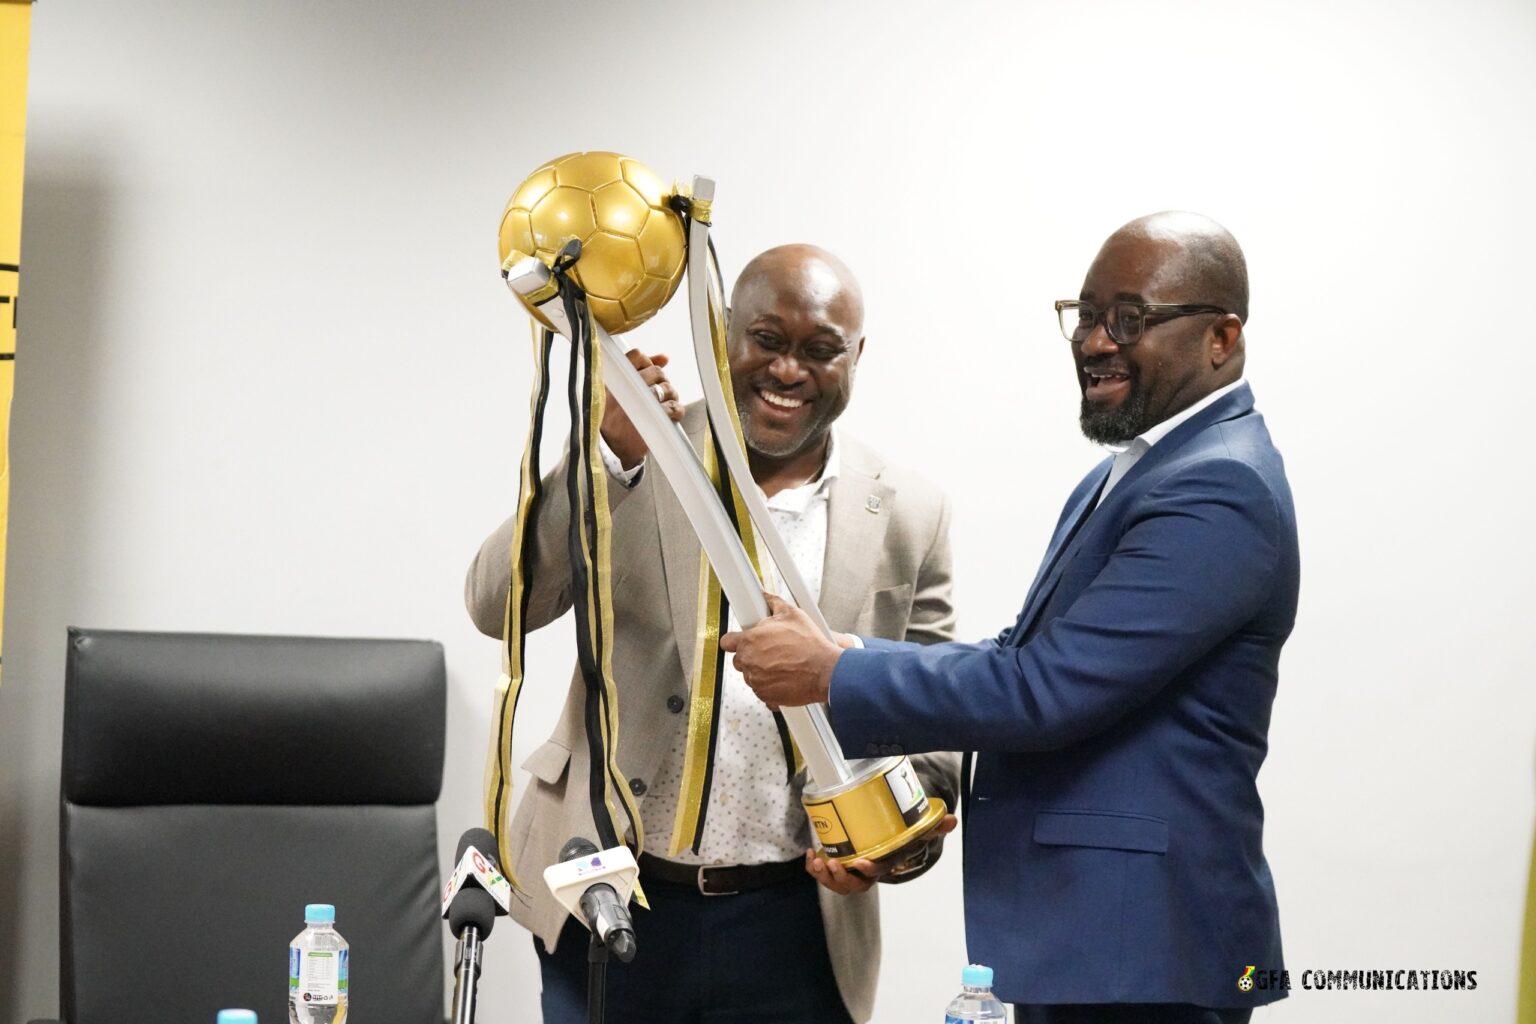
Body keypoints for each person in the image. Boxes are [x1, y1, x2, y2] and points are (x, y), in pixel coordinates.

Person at [724, 213, 1298, 1023]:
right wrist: (845, 651)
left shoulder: (1218, 489)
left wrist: (834, 672)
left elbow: (1050, 688)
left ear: (1222, 336)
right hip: (1093, 943)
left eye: (1129, 319)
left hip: (1145, 951)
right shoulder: (1141, 471)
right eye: (1086, 315)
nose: (1095, 341)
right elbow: (1027, 653)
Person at [466, 243, 960, 1024]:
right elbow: (498, 605)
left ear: (857, 356)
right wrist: (604, 459)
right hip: (608, 895)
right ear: (721, 334)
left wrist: (900, 839)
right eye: (766, 339)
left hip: (797, 924)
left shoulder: (908, 511)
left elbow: (935, 706)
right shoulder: (637, 443)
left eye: (821, 350)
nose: (789, 371)